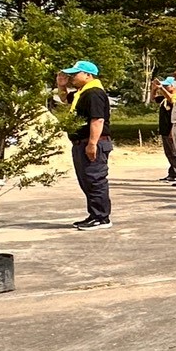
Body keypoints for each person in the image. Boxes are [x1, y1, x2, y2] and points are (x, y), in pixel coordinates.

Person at [62, 60, 112, 230]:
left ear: (88, 75)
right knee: (87, 181)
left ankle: (101, 218)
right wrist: (61, 85)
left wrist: (92, 144)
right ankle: (94, 214)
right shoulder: (82, 92)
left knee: (95, 179)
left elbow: (97, 120)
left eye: (75, 74)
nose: (72, 78)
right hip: (81, 143)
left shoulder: (94, 93)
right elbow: (65, 99)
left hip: (92, 143)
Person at [152, 78, 176, 183]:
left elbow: (171, 100)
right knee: (169, 153)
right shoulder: (164, 98)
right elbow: (153, 99)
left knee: (175, 153)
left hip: (172, 128)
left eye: (167, 86)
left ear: (174, 86)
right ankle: (172, 173)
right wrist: (154, 89)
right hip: (164, 129)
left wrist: (172, 131)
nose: (164, 88)